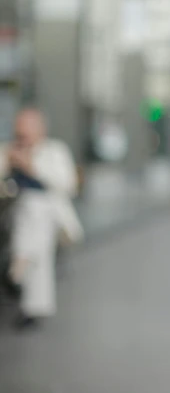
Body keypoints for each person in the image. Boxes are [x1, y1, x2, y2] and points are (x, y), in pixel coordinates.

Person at [0, 108, 83, 329]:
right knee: (35, 257)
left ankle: (17, 272)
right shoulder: (10, 151)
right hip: (16, 213)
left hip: (49, 214)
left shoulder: (55, 151)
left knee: (35, 243)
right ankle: (20, 277)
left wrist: (31, 166)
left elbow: (68, 184)